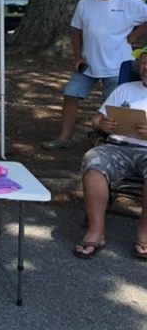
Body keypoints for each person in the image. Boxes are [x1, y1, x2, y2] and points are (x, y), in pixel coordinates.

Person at [41, 0, 147, 151]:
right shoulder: (84, 3)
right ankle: (64, 138)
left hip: (117, 64)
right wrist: (77, 57)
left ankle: (110, 144)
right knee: (70, 95)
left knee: (114, 109)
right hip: (88, 64)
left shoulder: (129, 3)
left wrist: (134, 37)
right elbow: (77, 31)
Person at [74, 49, 147, 259]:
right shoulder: (125, 89)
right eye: (143, 63)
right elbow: (95, 120)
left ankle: (144, 234)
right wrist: (103, 124)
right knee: (94, 159)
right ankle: (96, 233)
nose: (146, 67)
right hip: (117, 147)